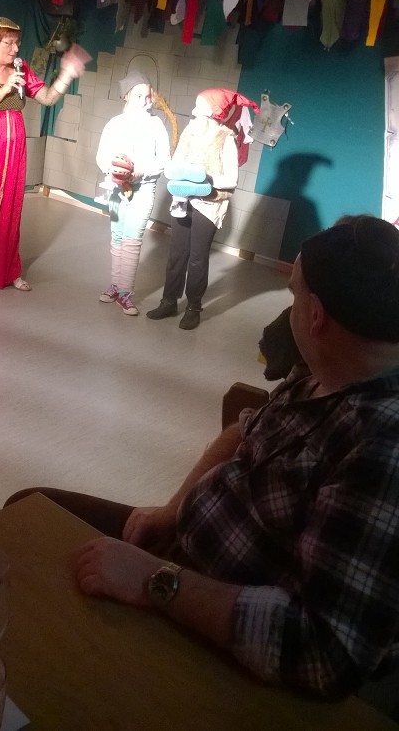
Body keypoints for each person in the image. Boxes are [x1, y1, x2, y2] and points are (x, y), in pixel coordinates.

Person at [65, 216, 399, 699]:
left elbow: (323, 653)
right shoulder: (328, 371)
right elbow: (242, 431)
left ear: (315, 316)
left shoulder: (382, 446)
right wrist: (173, 510)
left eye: (293, 294)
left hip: (209, 619)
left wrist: (156, 580)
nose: (287, 310)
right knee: (35, 506)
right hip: (181, 554)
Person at [0, 16, 85, 290]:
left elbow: (47, 98)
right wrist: (5, 89)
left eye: (17, 43)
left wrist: (66, 75)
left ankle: (7, 270)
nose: (15, 49)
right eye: (9, 43)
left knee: (9, 209)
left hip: (13, 150)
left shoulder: (20, 68)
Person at [147, 88, 246, 330]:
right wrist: (176, 172)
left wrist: (204, 180)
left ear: (214, 110)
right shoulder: (190, 132)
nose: (194, 109)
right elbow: (177, 162)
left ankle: (193, 307)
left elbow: (231, 179)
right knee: (176, 254)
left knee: (198, 258)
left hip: (208, 204)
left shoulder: (226, 138)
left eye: (200, 104)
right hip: (183, 200)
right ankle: (169, 301)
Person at [95, 71, 170, 315]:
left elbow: (164, 160)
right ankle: (116, 286)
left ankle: (126, 293)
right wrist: (113, 171)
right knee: (117, 237)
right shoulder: (115, 124)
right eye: (139, 95)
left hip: (144, 188)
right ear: (126, 95)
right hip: (116, 189)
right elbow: (102, 156)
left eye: (148, 96)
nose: (145, 101)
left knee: (132, 239)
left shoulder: (156, 124)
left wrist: (139, 172)